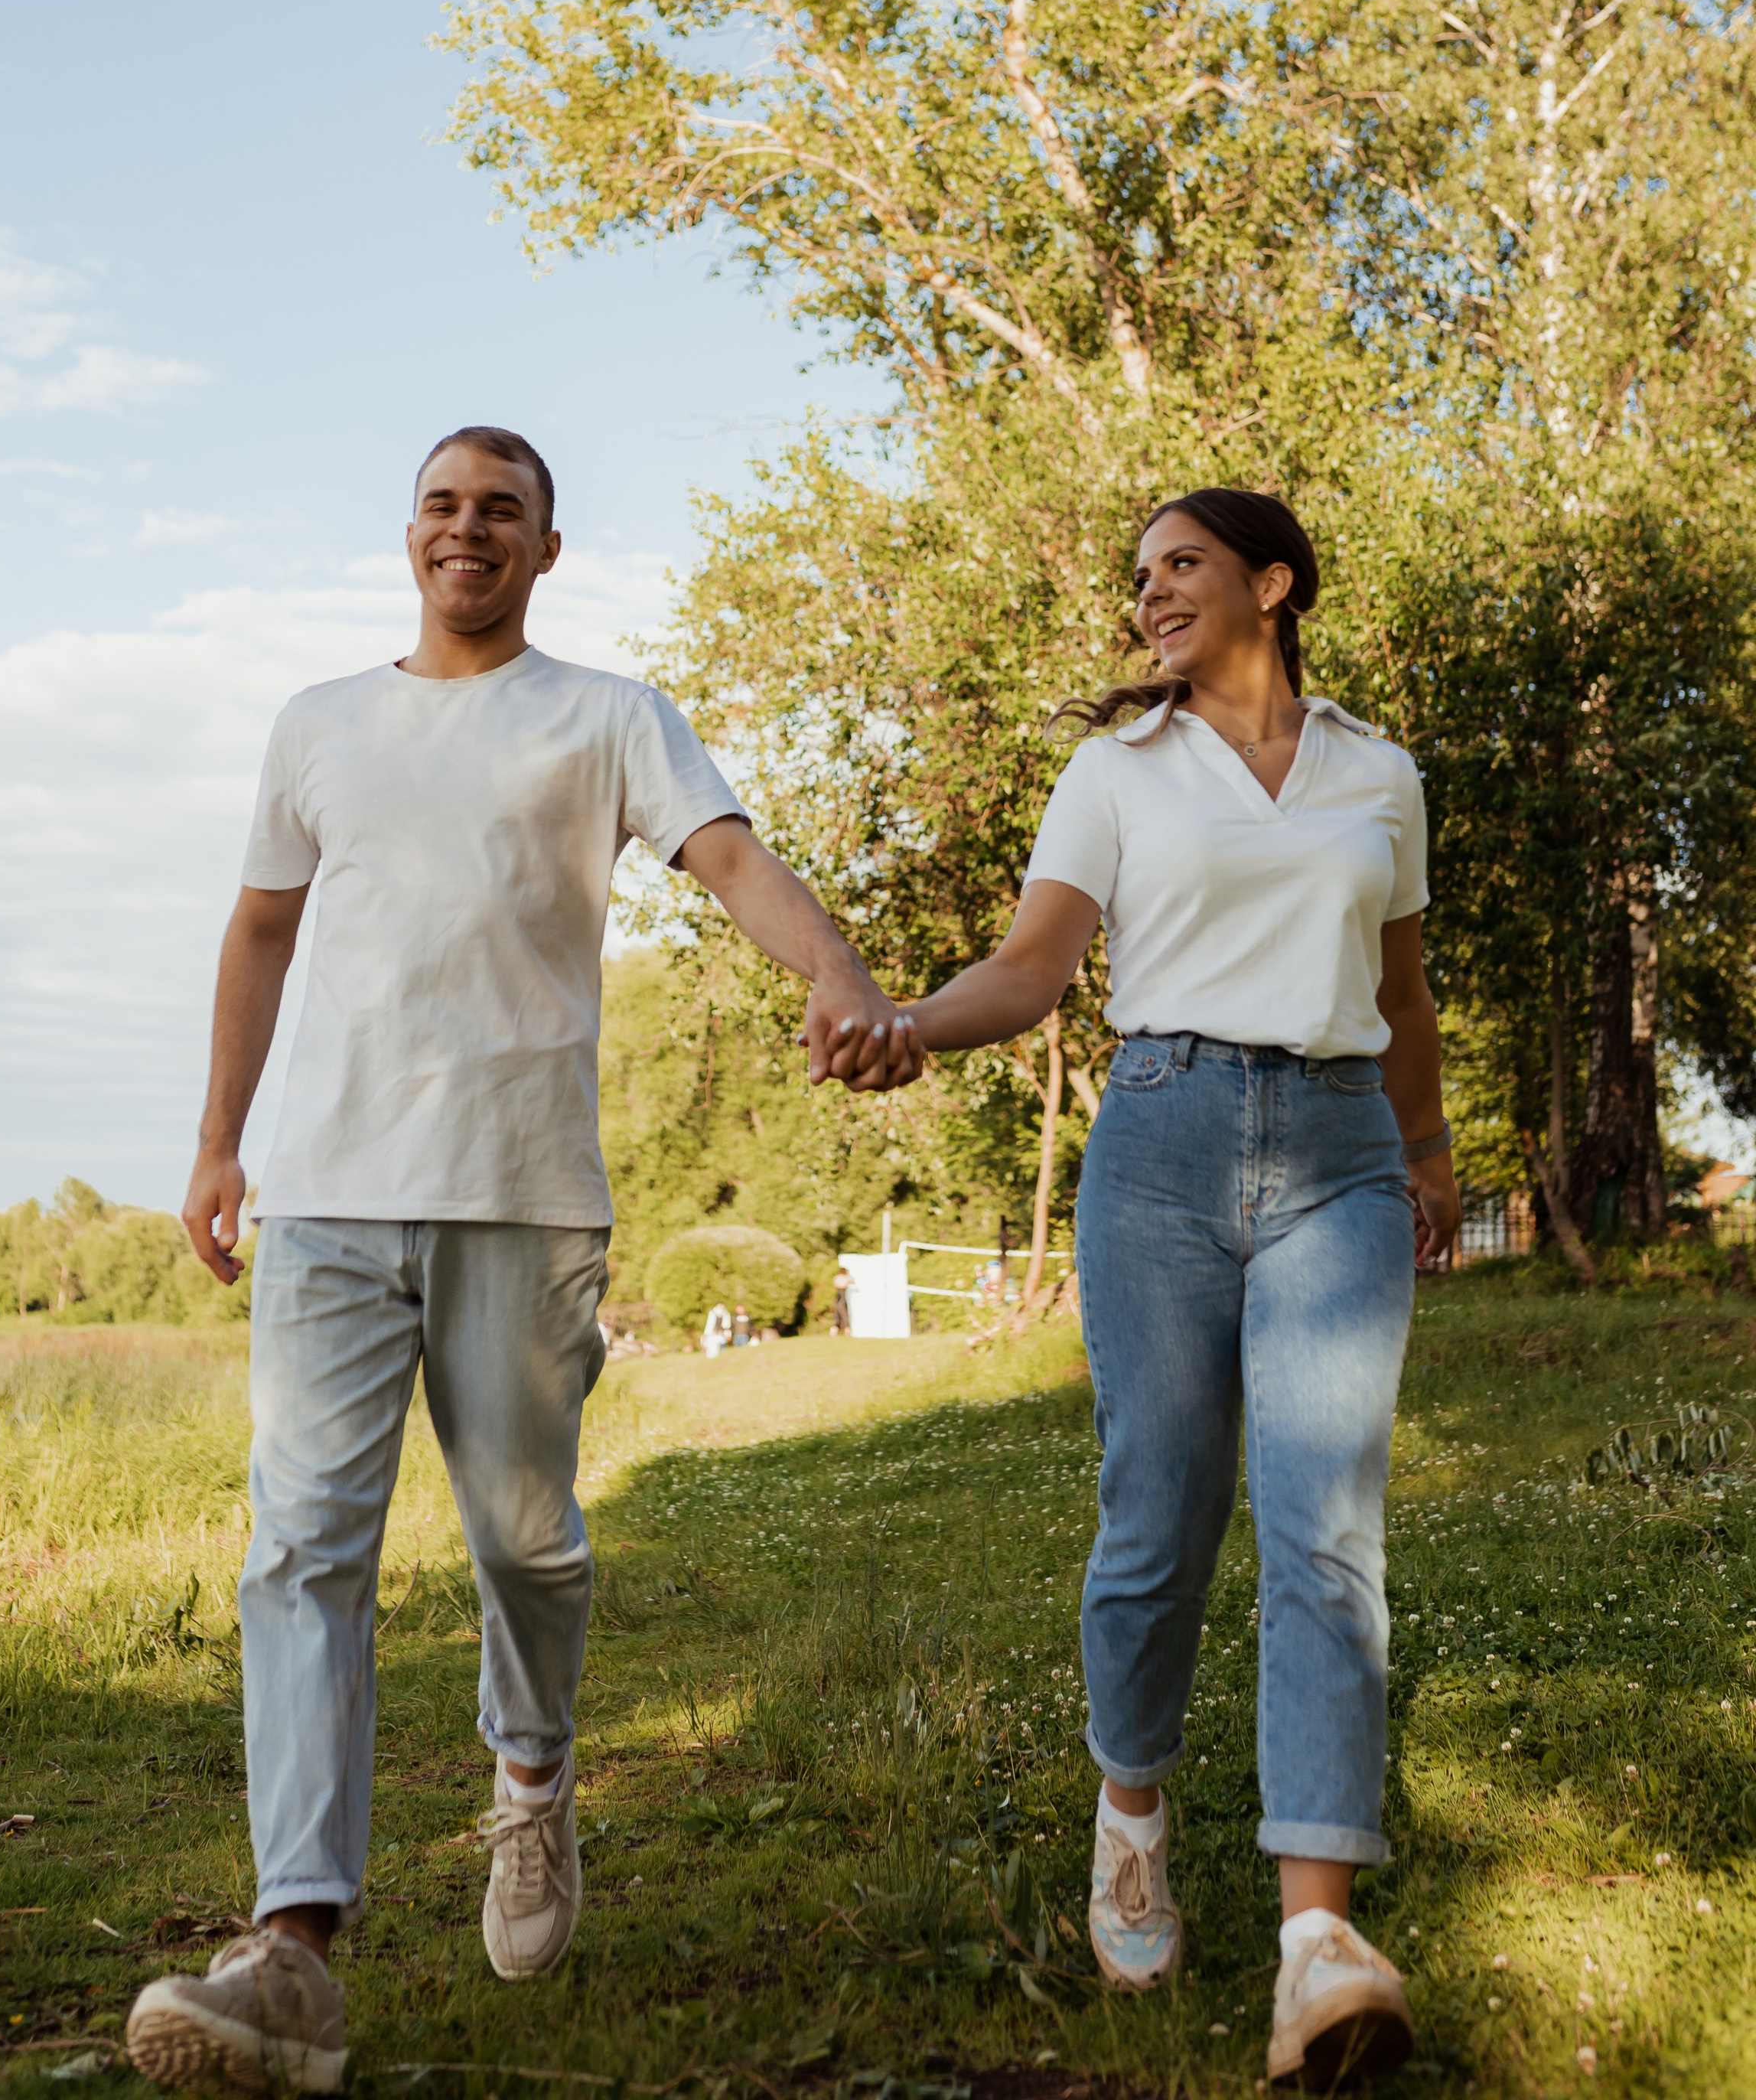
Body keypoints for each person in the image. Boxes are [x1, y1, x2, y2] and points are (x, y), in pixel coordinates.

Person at [124, 426, 920, 2095]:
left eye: (500, 510)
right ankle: (295, 1945)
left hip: (521, 1190)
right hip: (329, 1201)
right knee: (300, 1551)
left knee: (528, 1549)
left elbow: (726, 861)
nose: (464, 530)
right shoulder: (317, 726)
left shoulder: (605, 715)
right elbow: (262, 928)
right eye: (440, 505)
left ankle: (534, 1783)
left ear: (546, 549)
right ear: (404, 535)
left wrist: (835, 969)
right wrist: (216, 1141)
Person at [891, 488, 1459, 2092]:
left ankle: (1314, 1942)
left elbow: (1399, 987)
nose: (1149, 596)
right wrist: (904, 1025)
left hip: (1342, 1151)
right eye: (1137, 575)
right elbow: (1029, 968)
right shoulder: (1114, 772)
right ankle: (1131, 1806)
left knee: (1323, 1527)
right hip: (1158, 1144)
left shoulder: (1377, 772)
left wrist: (1426, 1150)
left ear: (1268, 584)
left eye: (1181, 567)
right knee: (1157, 1512)